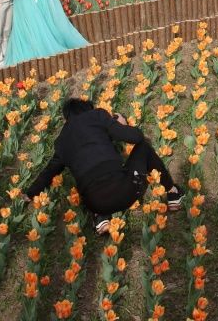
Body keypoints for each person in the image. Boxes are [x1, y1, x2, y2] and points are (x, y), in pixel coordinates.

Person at [24, 98, 184, 234]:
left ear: (67, 118)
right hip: (126, 192)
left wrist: (29, 194)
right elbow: (136, 137)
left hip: (95, 204)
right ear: (87, 109)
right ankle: (173, 193)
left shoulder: (61, 141)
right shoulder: (97, 115)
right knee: (143, 146)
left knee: (89, 178)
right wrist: (121, 124)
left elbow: (49, 171)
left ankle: (101, 217)